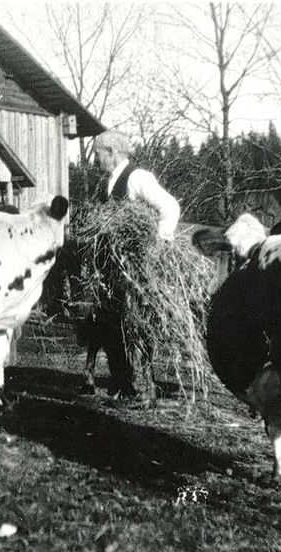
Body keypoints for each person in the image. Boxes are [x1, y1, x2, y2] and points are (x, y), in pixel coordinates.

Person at [82, 129, 183, 404]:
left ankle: (140, 388)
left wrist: (156, 246)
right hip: (110, 269)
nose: (96, 159)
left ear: (112, 153)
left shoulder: (138, 178)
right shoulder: (107, 182)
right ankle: (123, 386)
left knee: (134, 326)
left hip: (134, 269)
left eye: (98, 154)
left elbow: (170, 208)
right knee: (111, 326)